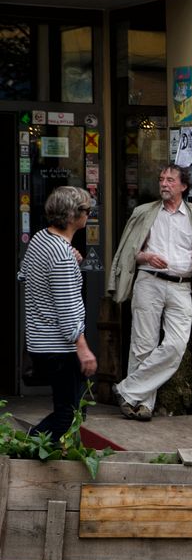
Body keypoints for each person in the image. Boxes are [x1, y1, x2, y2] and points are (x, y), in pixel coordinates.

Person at [107, 165, 192, 421]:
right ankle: (142, 405)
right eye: (161, 179)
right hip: (149, 281)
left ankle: (127, 390)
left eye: (170, 180)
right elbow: (128, 251)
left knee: (176, 345)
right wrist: (145, 256)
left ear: (183, 186)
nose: (164, 184)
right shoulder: (144, 212)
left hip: (181, 285)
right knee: (142, 345)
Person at [18, 187, 98, 439]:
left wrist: (69, 262)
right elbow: (68, 306)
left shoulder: (41, 239)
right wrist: (82, 348)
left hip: (41, 341)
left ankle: (40, 450)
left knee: (72, 410)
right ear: (74, 215)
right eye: (86, 210)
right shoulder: (61, 254)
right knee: (69, 414)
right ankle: (26, 449)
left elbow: (23, 274)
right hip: (59, 347)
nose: (89, 214)